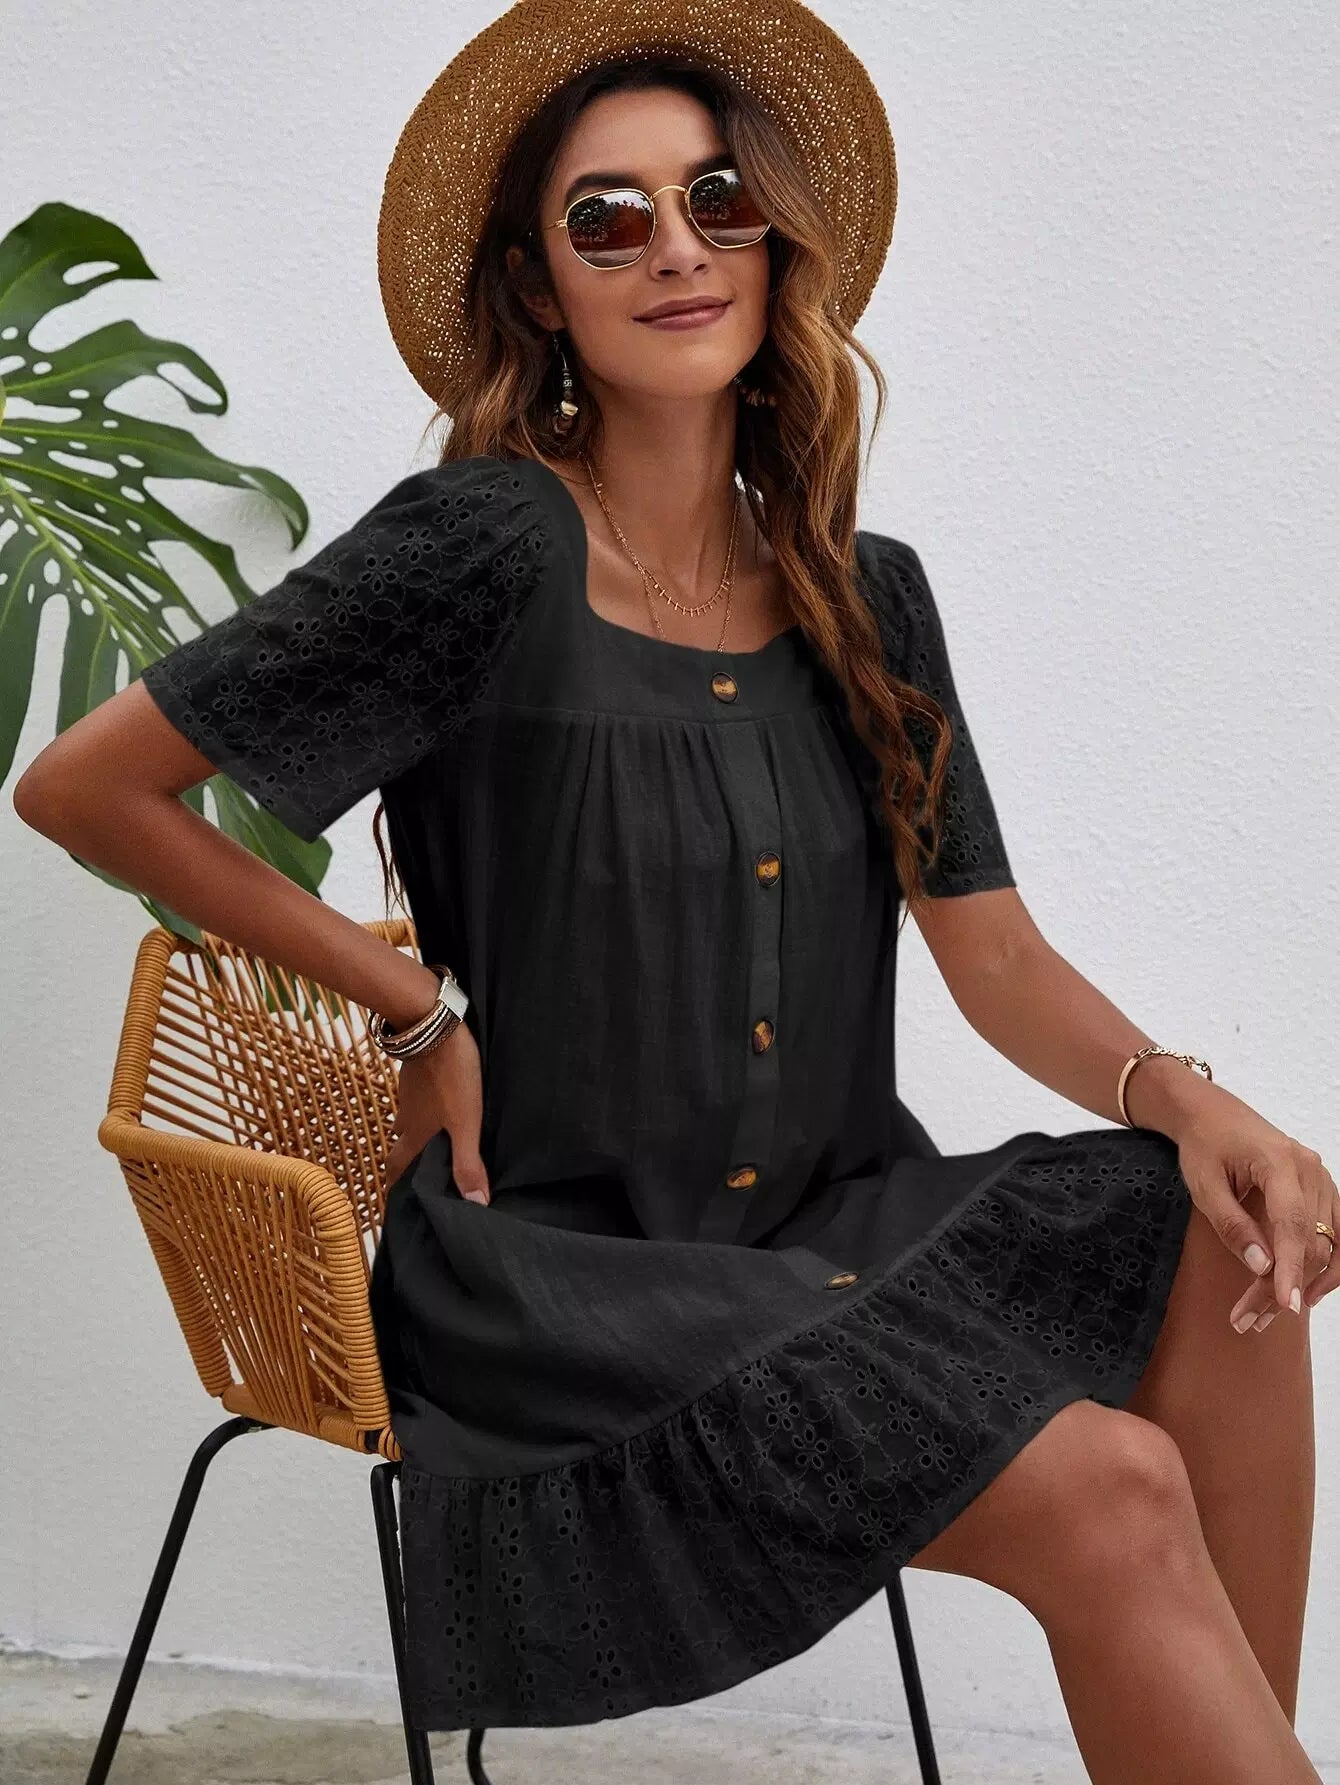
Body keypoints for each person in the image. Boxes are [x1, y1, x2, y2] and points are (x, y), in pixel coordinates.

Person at [14, 2, 1334, 1776]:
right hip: (566, 1277)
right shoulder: (482, 545)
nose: (678, 248)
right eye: (609, 217)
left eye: (718, 198)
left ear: (777, 239)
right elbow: (87, 787)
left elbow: (995, 953)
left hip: (828, 1228)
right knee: (1114, 1482)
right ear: (538, 287)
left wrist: (1189, 1099)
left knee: (1226, 1241)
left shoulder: (870, 594)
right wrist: (412, 1000)